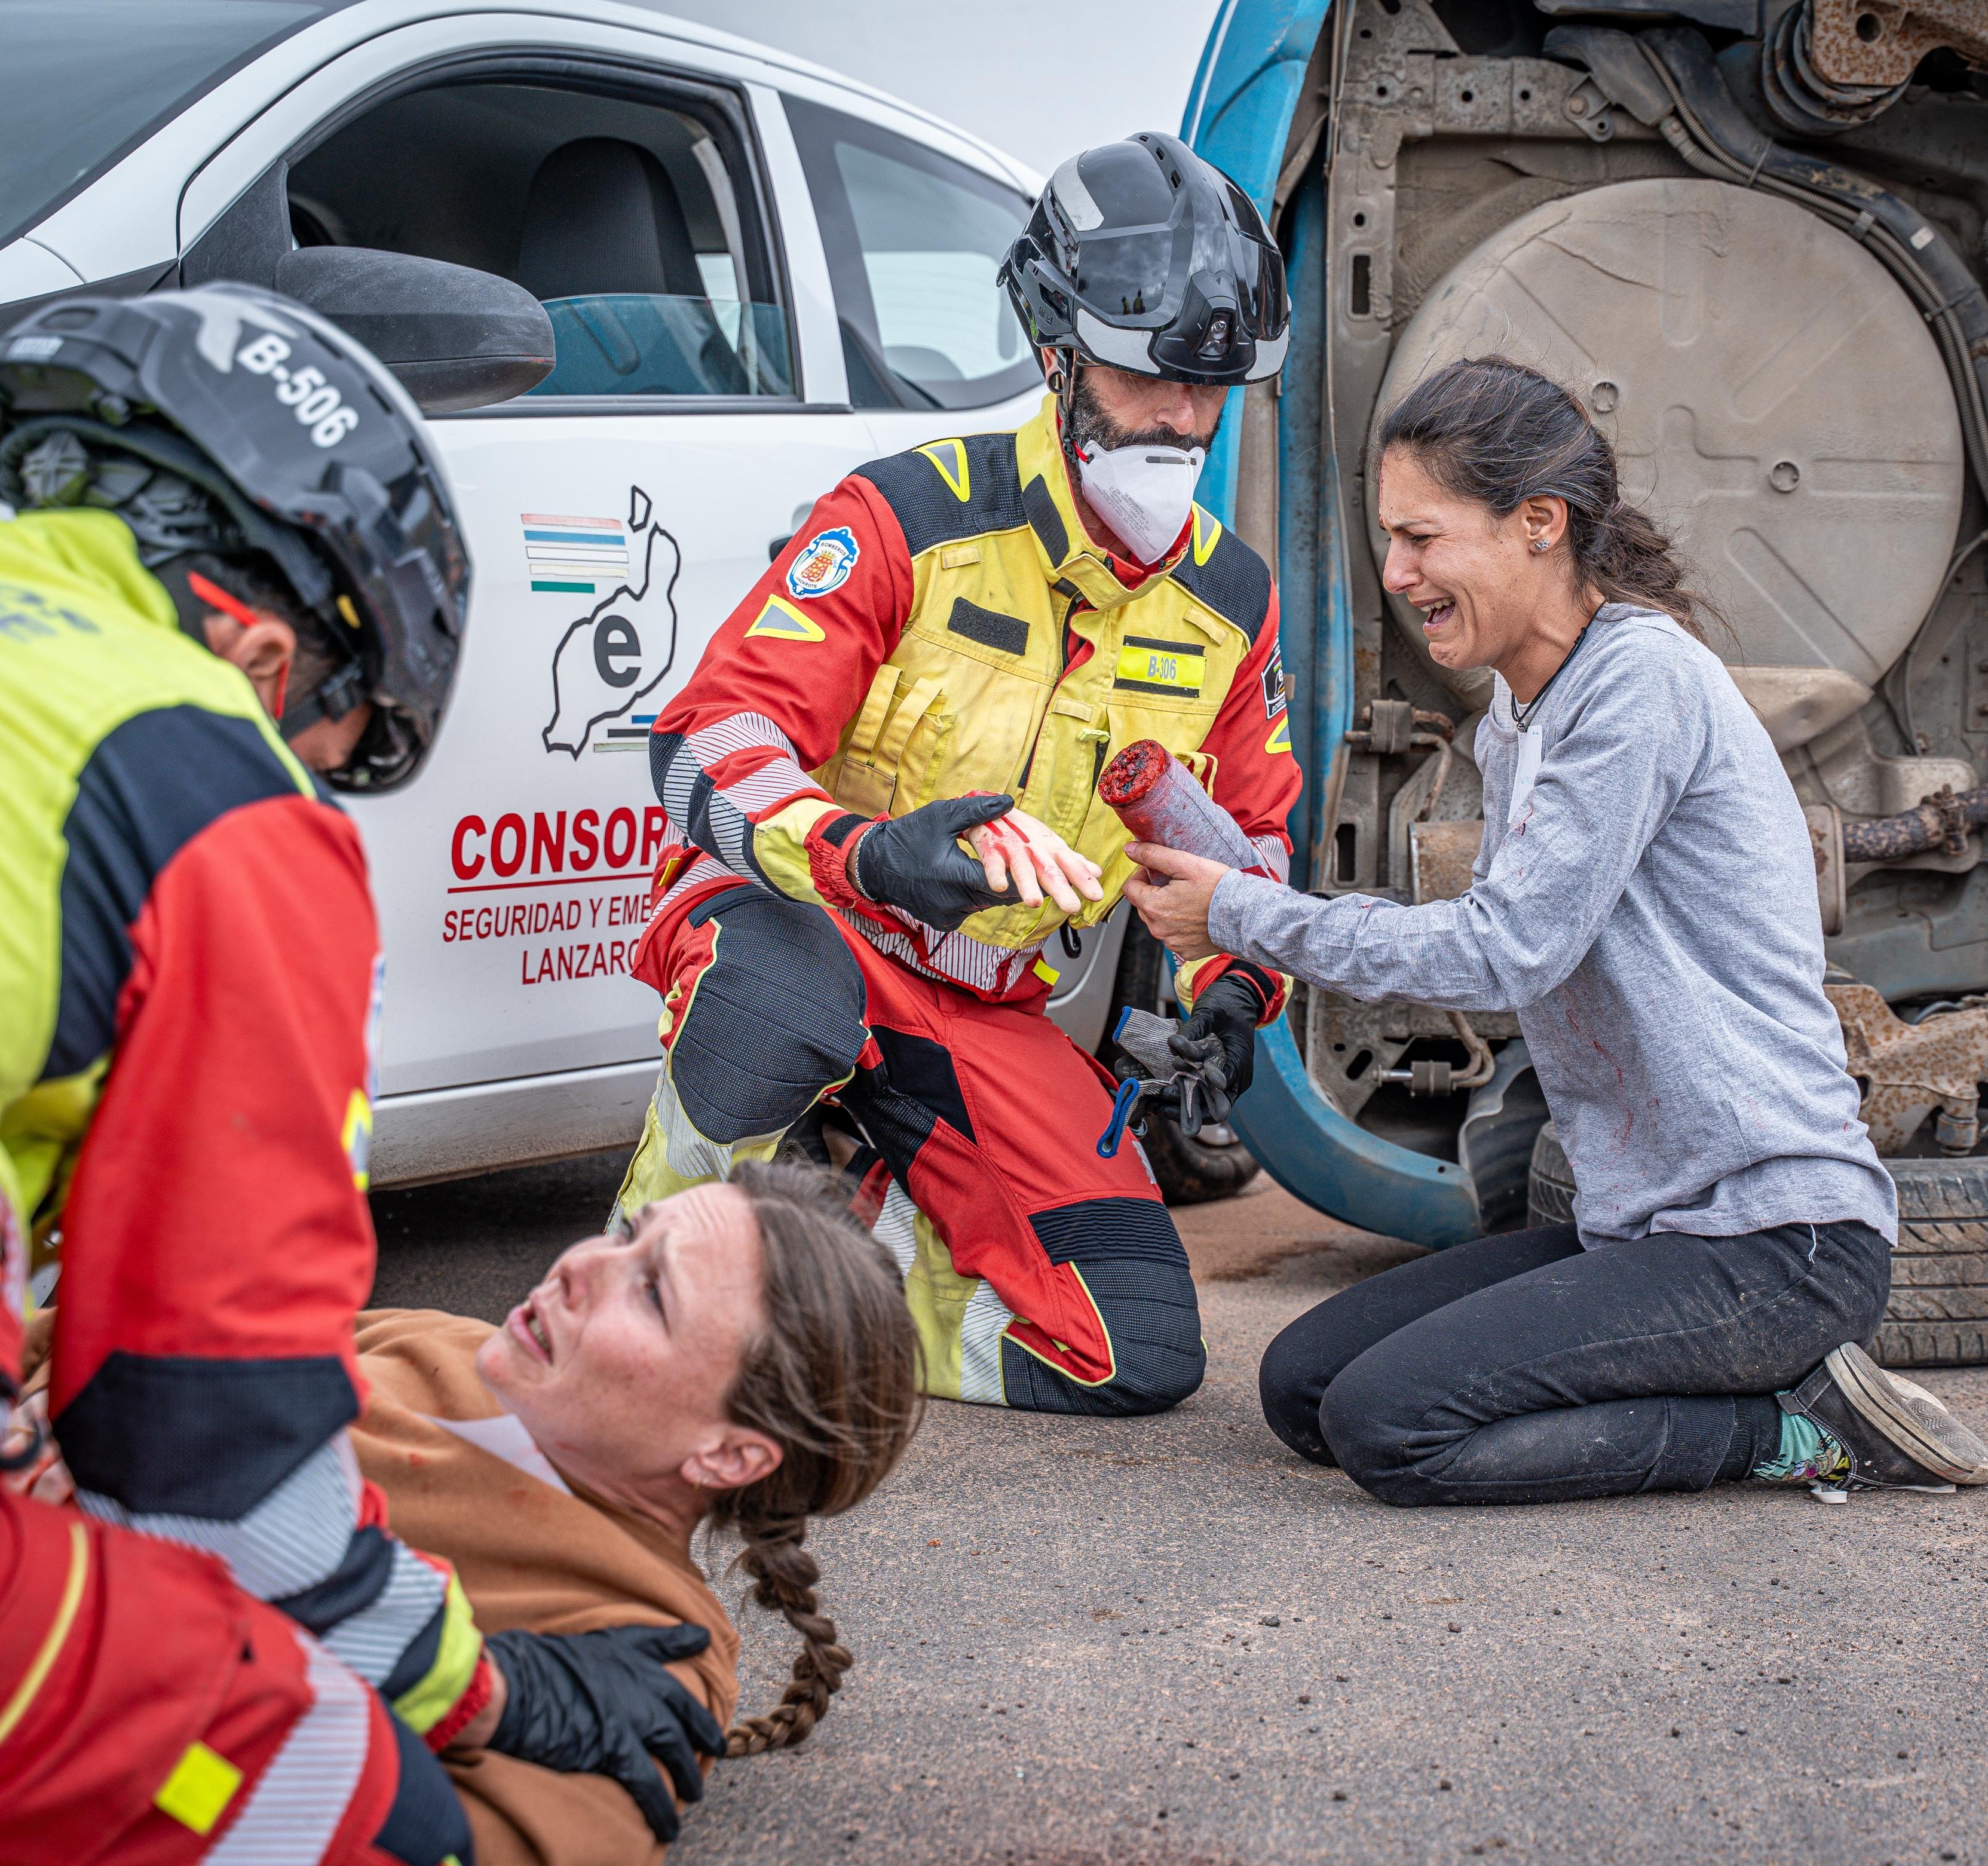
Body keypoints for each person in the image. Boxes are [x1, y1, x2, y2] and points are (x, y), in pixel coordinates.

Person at [0, 285, 716, 1864]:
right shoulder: (202, 788)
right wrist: (486, 1693)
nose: (583, 1258)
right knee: (357, 1801)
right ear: (263, 646)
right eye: (330, 753)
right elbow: (214, 1475)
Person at [1124, 357, 1988, 1507]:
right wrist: (1255, 905)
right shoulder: (1517, 720)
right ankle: (1742, 1402)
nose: (1398, 573)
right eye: (1390, 540)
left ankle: (1795, 1428)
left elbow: (1505, 953)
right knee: (1303, 1389)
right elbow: (1494, 928)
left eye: (1423, 538)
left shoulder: (1639, 683)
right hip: (1641, 1230)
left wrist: (1242, 913)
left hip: (1775, 1242)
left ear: (1539, 523)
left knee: (1391, 1430)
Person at [615, 132, 1300, 1416]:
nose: (1185, 419)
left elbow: (1248, 841)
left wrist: (1234, 985)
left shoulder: (1230, 601)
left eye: (1215, 389)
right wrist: (862, 852)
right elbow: (708, 740)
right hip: (804, 922)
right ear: (1055, 351)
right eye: (1148, 376)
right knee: (782, 988)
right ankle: (639, 1288)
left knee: (1132, 1351)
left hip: (981, 1007)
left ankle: (808, 1295)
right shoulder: (907, 514)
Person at [17, 1160, 921, 1865]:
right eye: (624, 1238)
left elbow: (469, 1842)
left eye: (650, 1292)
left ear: (729, 1454)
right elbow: (100, 1336)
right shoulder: (437, 1339)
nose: (579, 1268)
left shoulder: (649, 1651)